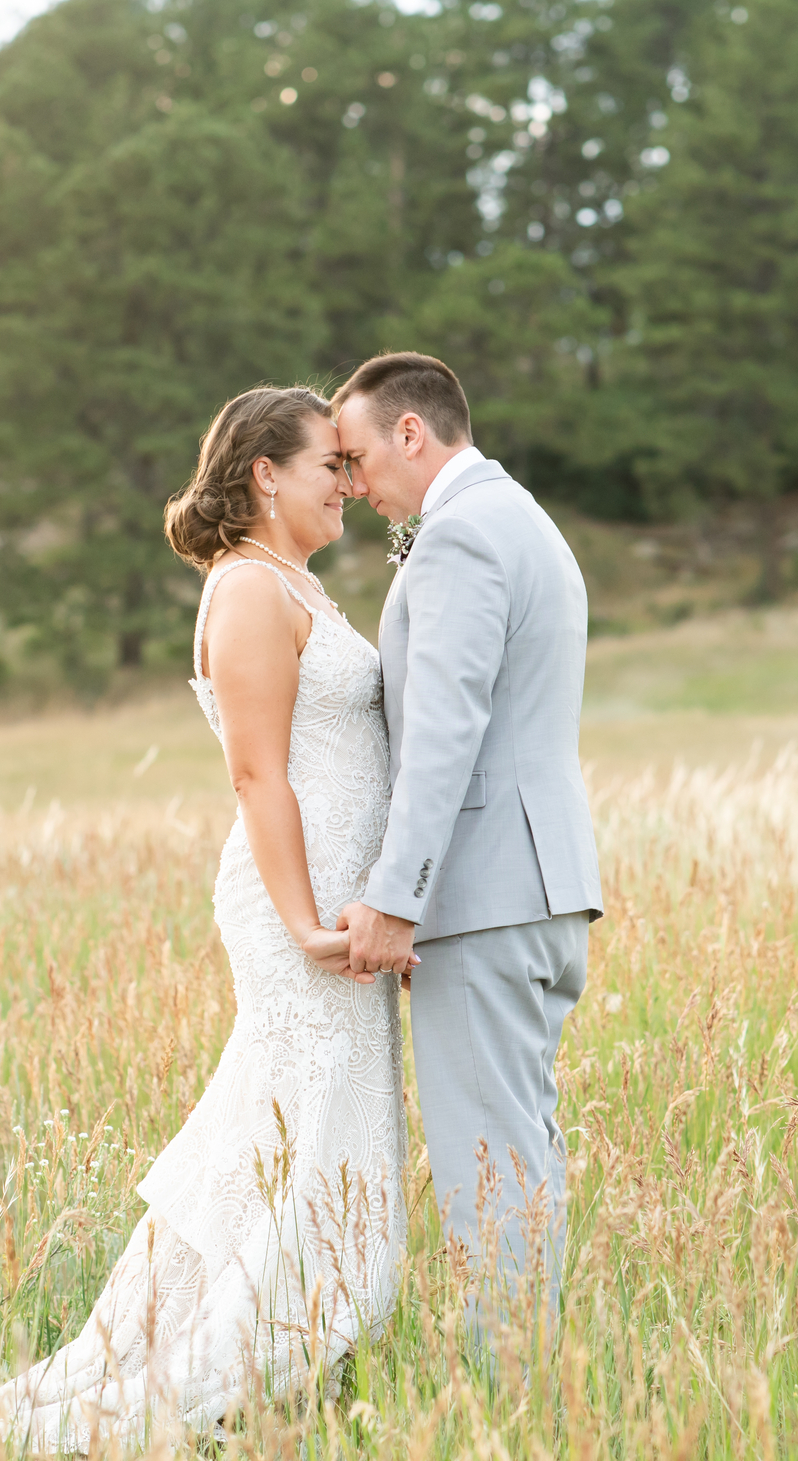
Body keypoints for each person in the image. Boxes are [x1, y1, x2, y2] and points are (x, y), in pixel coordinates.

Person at [0, 386, 408, 1454]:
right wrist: (301, 922)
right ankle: (219, 1368)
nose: (347, 481)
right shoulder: (244, 587)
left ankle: (263, 1340)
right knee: (297, 1123)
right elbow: (254, 771)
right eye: (328, 463)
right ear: (264, 474)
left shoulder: (297, 584)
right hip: (296, 901)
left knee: (291, 1128)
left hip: (331, 897)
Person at [331, 351, 603, 1344]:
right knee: (518, 1156)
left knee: (485, 1166)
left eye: (356, 457)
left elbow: (444, 731)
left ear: (411, 432)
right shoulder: (516, 517)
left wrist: (396, 895)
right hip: (537, 889)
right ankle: (533, 1387)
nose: (354, 485)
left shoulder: (458, 539)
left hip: (485, 898)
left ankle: (510, 1402)